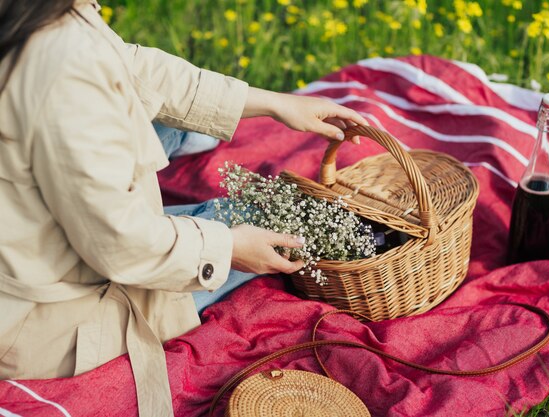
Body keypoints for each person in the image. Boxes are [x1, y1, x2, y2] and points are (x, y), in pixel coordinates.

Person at [0, 1, 368, 415]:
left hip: (32, 222)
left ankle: (177, 136)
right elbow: (120, 245)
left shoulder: (36, 18)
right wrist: (228, 248)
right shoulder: (62, 69)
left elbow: (129, 64)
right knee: (272, 219)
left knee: (169, 115)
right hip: (56, 315)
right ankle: (180, 153)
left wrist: (274, 102)